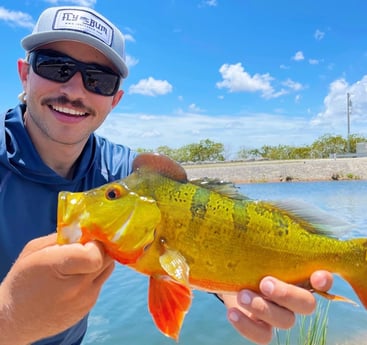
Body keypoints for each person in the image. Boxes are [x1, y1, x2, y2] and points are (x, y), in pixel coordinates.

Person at [0, 5, 334, 345]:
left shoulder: (126, 174)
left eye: (98, 79)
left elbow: (192, 227)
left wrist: (230, 287)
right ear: (24, 73)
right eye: (56, 67)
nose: (74, 91)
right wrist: (9, 317)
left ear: (114, 99)